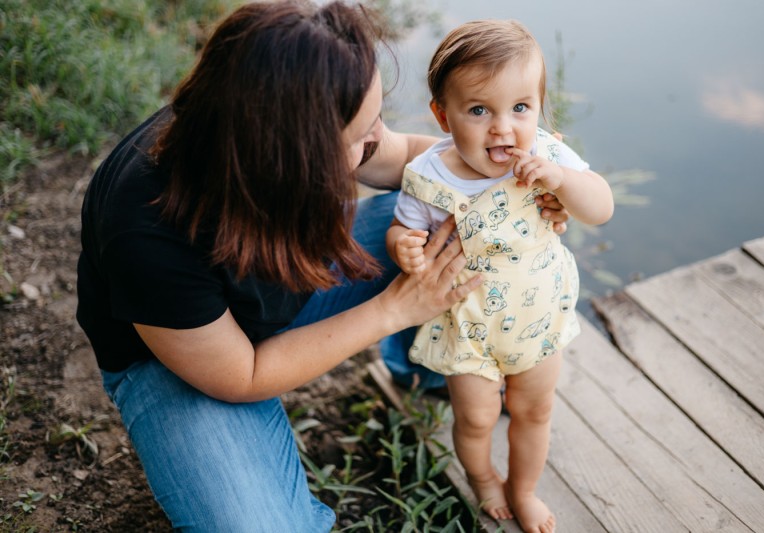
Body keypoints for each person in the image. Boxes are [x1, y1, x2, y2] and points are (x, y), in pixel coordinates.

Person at [76, 2, 570, 531]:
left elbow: (408, 155)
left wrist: (514, 185)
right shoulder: (146, 231)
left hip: (279, 271)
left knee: (453, 226)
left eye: (376, 117)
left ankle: (423, 368)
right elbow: (241, 375)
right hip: (191, 362)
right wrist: (395, 309)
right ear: (292, 155)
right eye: (361, 136)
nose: (378, 139)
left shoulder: (277, 117)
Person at [386, 19, 614, 532]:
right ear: (443, 115)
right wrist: (402, 244)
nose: (502, 128)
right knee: (476, 419)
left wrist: (564, 181)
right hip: (465, 326)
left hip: (536, 319)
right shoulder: (429, 174)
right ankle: (484, 478)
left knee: (534, 410)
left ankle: (525, 488)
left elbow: (600, 207)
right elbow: (405, 226)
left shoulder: (549, 158)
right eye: (478, 110)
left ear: (537, 108)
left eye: (520, 108)